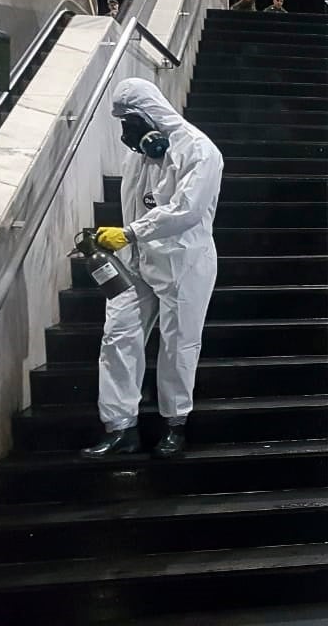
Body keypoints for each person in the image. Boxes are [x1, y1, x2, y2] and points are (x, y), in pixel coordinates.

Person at [81, 78, 224, 460]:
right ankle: (120, 428)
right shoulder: (137, 157)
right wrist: (122, 244)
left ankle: (175, 424)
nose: (125, 132)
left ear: (150, 115)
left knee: (179, 344)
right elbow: (133, 205)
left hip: (185, 261)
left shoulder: (201, 152)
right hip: (139, 263)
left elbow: (187, 210)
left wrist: (129, 233)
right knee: (118, 336)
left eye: (129, 121)